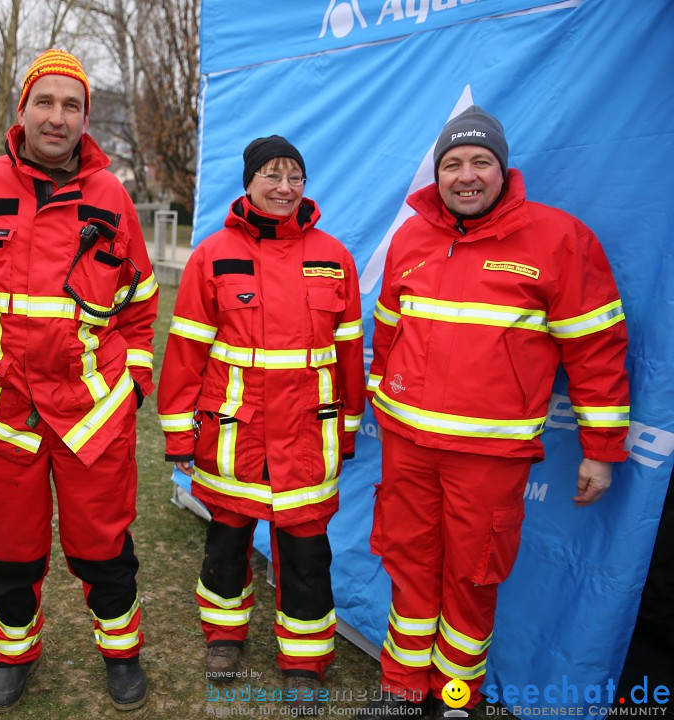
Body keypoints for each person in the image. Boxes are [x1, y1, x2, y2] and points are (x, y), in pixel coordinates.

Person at [361, 106, 630, 718]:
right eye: (452, 163)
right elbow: (388, 329)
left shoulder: (558, 239)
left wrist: (603, 450)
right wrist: (383, 396)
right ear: (438, 174)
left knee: (472, 581)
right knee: (408, 568)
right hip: (408, 446)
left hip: (490, 457)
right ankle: (401, 693)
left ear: (503, 169)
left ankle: (456, 700)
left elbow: (596, 349)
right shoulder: (411, 237)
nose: (466, 175)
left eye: (481, 161)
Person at [0, 49, 158, 712]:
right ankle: (15, 654)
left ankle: (122, 655)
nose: (57, 117)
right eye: (46, 102)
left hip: (92, 412)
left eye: (72, 105)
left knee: (104, 549)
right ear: (22, 110)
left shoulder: (112, 198)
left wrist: (134, 386)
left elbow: (141, 305)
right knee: (9, 554)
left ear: (86, 118)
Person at [157, 136, 366, 710]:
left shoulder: (334, 256)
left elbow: (349, 353)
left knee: (306, 554)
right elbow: (185, 354)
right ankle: (224, 638)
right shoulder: (213, 254)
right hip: (235, 437)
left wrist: (347, 428)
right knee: (226, 546)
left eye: (294, 175)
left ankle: (304, 660)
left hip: (307, 439)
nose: (284, 187)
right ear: (248, 183)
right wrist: (179, 432)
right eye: (271, 175)